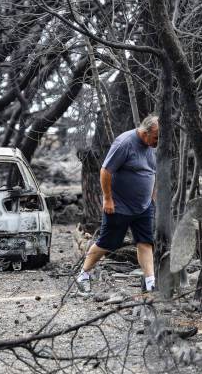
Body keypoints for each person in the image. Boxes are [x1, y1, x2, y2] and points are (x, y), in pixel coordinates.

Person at [76, 115, 159, 295]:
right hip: (119, 205)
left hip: (144, 207)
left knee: (145, 242)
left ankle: (150, 282)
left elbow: (152, 173)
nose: (158, 142)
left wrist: (153, 198)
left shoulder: (153, 147)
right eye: (155, 138)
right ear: (145, 133)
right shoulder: (124, 143)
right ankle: (83, 274)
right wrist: (107, 199)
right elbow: (105, 171)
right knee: (107, 243)